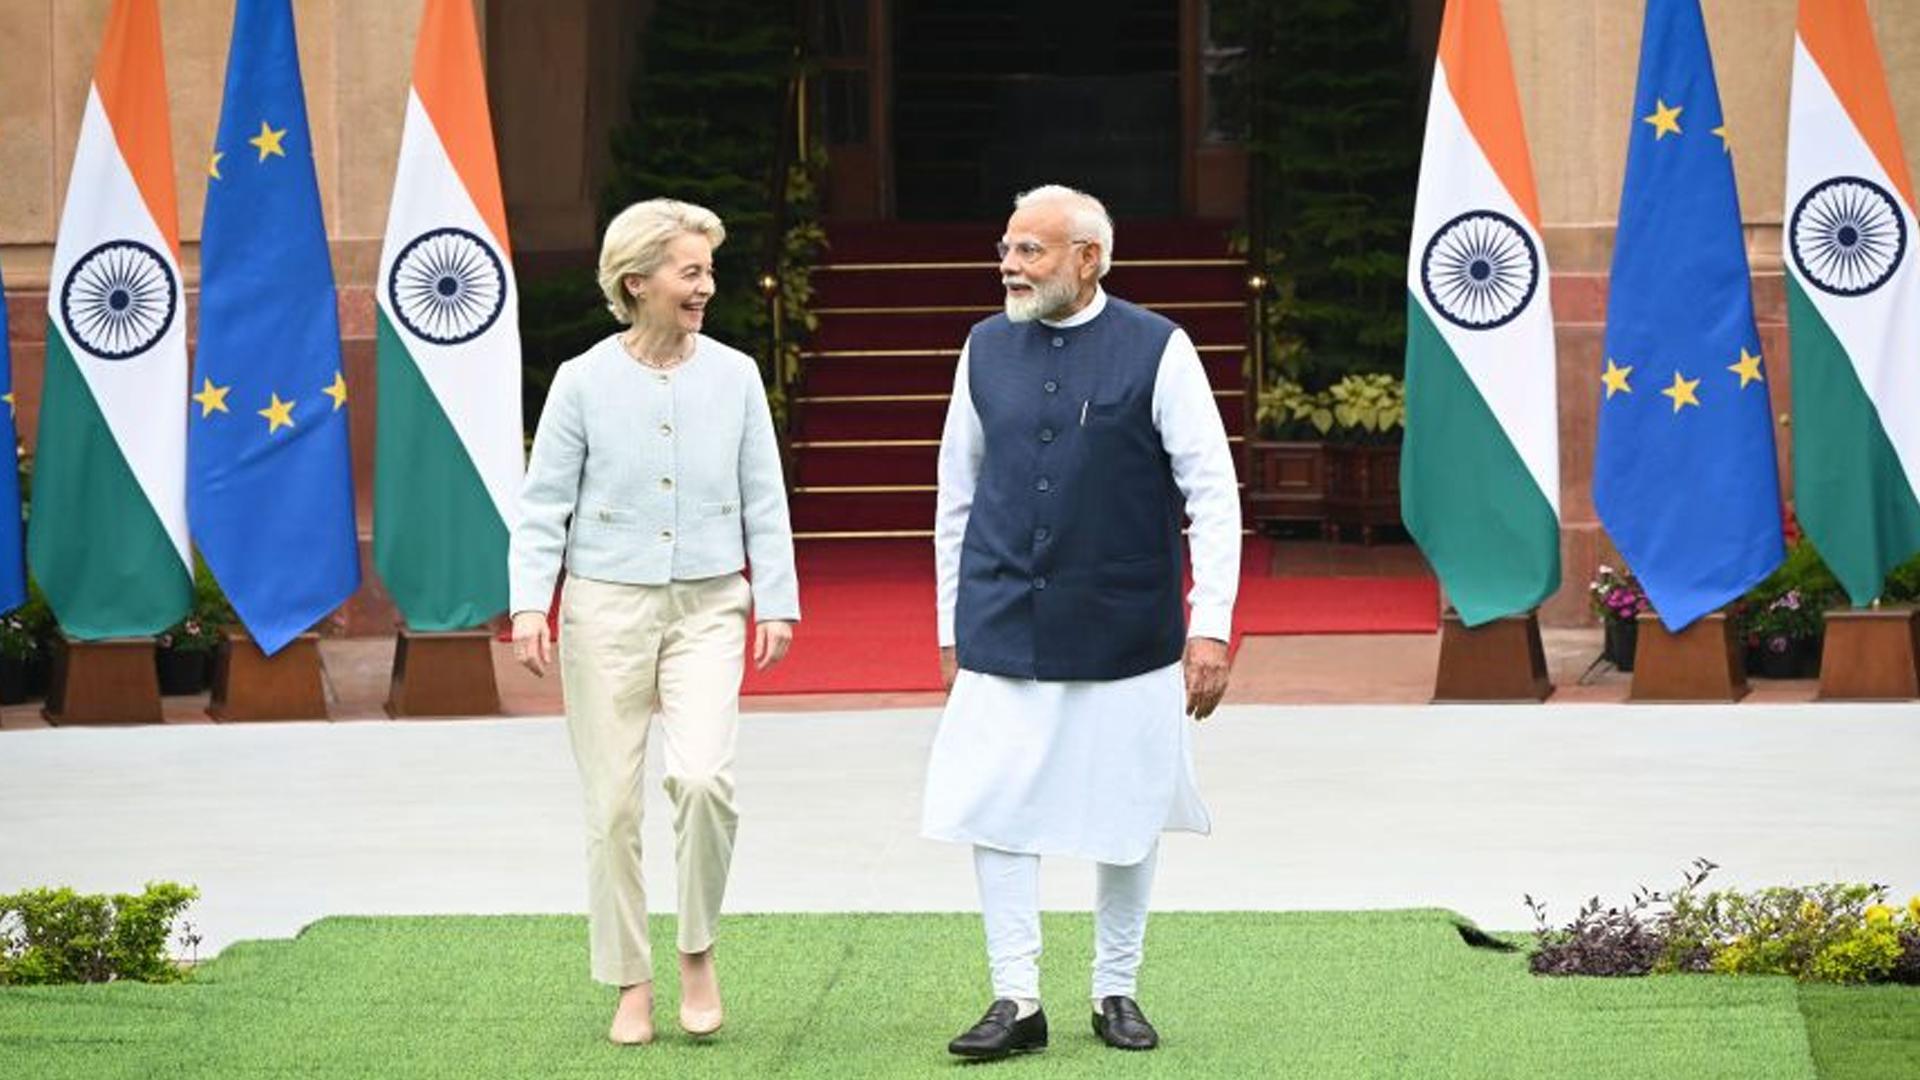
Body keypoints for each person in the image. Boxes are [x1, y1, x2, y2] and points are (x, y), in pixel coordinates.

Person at [924, 184, 1240, 1059]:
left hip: (1127, 624)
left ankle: (1116, 989)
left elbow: (1212, 493)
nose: (1010, 265)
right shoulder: (983, 347)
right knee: (995, 802)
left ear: (1088, 258)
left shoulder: (1159, 347)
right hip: (1001, 614)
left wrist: (1210, 624)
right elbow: (957, 494)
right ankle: (1015, 996)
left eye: (1030, 250)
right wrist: (952, 626)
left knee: (1127, 805)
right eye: (1006, 248)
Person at [508, 198, 798, 1046]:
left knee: (704, 781)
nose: (705, 286)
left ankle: (696, 949)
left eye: (709, 271)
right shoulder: (581, 381)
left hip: (710, 603)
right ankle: (630, 980)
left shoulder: (735, 376)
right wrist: (530, 601)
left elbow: (764, 496)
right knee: (611, 807)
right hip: (605, 606)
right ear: (636, 282)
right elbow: (543, 504)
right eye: (689, 271)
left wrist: (777, 597)